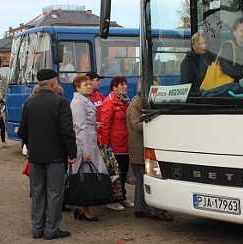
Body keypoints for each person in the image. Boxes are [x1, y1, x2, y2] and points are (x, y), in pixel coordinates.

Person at [18, 69, 77, 240]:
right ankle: (52, 229)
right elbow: (67, 131)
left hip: (35, 156)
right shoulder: (60, 102)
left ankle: (37, 229)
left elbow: (23, 131)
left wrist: (32, 145)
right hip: (56, 156)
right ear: (52, 83)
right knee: (54, 192)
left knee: (37, 192)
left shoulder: (29, 103)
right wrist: (72, 152)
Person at [126, 80, 173, 221]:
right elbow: (137, 125)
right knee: (152, 177)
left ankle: (141, 209)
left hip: (144, 148)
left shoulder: (143, 103)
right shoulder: (135, 105)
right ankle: (155, 210)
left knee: (142, 181)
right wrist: (155, 122)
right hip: (140, 149)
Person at [69, 75, 107, 222]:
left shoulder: (83, 100)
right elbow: (79, 128)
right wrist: (85, 152)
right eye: (86, 84)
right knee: (85, 175)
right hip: (85, 144)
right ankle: (83, 207)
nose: (89, 86)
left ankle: (82, 206)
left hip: (89, 140)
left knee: (88, 174)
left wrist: (94, 125)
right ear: (78, 88)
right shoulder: (78, 103)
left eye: (89, 84)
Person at [98, 76, 134, 211]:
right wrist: (106, 145)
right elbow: (105, 124)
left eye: (125, 84)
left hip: (125, 142)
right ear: (114, 87)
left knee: (123, 171)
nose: (124, 86)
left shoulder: (124, 100)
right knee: (115, 173)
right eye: (121, 84)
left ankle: (122, 196)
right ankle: (112, 199)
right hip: (115, 144)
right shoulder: (110, 102)